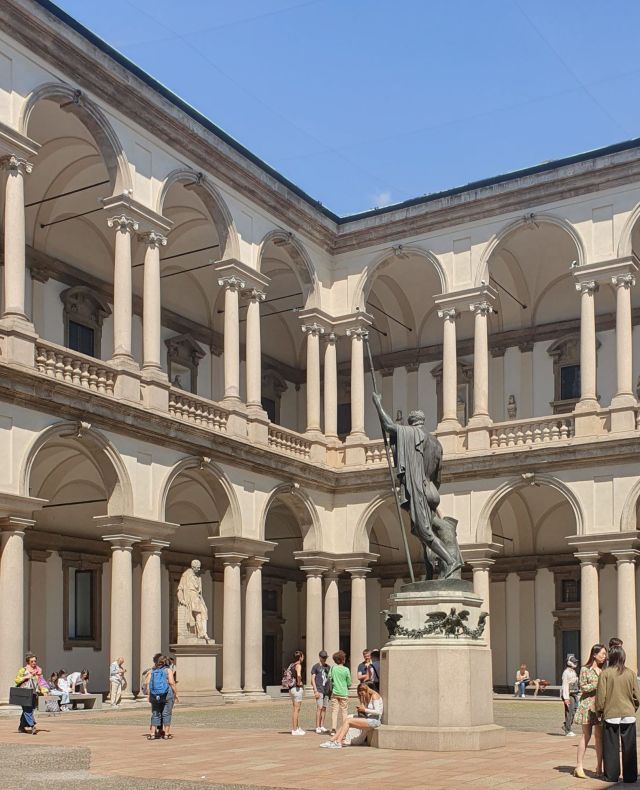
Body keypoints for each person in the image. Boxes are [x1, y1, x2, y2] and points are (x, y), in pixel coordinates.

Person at [372, 393, 462, 580]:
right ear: (422, 421)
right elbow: (438, 474)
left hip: (419, 489)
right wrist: (431, 490)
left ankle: (451, 562)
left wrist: (378, 404)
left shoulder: (411, 434)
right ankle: (430, 574)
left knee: (425, 533)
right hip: (431, 490)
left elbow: (389, 426)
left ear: (411, 423)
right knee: (424, 534)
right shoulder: (436, 443)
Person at [596, 644, 640, 784]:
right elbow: (637, 696)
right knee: (629, 747)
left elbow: (601, 696)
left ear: (611, 657)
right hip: (628, 713)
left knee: (611, 747)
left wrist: (600, 711)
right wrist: (633, 708)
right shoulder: (631, 673)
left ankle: (611, 775)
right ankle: (631, 776)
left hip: (611, 714)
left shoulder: (605, 673)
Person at [574, 643, 607, 779]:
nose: (604, 657)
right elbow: (583, 687)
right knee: (586, 736)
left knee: (599, 738)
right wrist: (599, 684)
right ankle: (579, 766)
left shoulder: (604, 671)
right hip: (587, 706)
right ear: (594, 654)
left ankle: (599, 766)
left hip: (600, 707)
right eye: (602, 654)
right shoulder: (585, 669)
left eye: (605, 654)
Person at [321, 683, 383, 749]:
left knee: (348, 721)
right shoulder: (367, 696)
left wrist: (364, 709)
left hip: (374, 721)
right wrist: (361, 710)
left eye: (362, 692)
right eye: (359, 692)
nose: (361, 694)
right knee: (348, 717)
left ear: (366, 690)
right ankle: (332, 740)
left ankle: (338, 742)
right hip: (368, 718)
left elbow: (378, 712)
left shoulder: (374, 696)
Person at [147, 654, 179, 740]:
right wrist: (176, 694)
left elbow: (148, 684)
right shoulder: (168, 670)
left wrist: (149, 695)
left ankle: (152, 733)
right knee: (166, 713)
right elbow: (172, 683)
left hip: (154, 695)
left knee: (155, 713)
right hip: (167, 694)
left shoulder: (152, 671)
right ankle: (166, 734)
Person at [177, 559, 210, 642]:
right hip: (191, 597)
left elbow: (200, 591)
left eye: (199, 567)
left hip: (198, 598)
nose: (199, 569)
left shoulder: (198, 577)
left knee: (205, 612)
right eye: (197, 568)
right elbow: (180, 588)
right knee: (198, 614)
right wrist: (181, 599)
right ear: (193, 567)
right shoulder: (186, 575)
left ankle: (204, 633)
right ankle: (201, 633)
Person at [14, 653, 41, 734]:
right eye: (32, 661)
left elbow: (41, 682)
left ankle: (21, 727)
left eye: (35, 661)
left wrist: (44, 691)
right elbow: (17, 680)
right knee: (27, 709)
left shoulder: (38, 671)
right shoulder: (23, 670)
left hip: (33, 693)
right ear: (28, 662)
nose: (34, 663)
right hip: (24, 693)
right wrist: (25, 677)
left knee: (29, 710)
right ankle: (32, 726)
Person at [329, 650, 351, 736]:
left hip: (335, 692)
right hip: (344, 692)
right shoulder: (346, 669)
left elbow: (329, 677)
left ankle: (333, 729)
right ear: (343, 659)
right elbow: (349, 682)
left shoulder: (333, 668)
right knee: (344, 711)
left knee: (334, 711)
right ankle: (345, 729)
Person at [283, 650, 305, 736]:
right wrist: (299, 683)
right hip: (296, 689)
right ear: (300, 657)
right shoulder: (298, 665)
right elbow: (298, 675)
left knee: (296, 709)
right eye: (302, 656)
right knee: (296, 710)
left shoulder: (291, 665)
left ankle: (297, 727)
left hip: (291, 689)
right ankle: (294, 729)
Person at [311, 650, 331, 734]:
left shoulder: (328, 667)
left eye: (325, 657)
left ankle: (322, 725)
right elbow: (312, 679)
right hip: (319, 689)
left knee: (324, 708)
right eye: (323, 657)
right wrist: (315, 690)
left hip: (326, 690)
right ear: (319, 657)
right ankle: (317, 726)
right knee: (319, 708)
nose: (324, 659)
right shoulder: (315, 667)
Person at [560, 654, 579, 736]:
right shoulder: (566, 672)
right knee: (569, 711)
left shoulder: (573, 671)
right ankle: (568, 730)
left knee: (575, 710)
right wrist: (566, 698)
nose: (575, 663)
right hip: (568, 694)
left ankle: (566, 725)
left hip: (574, 693)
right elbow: (565, 685)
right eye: (573, 662)